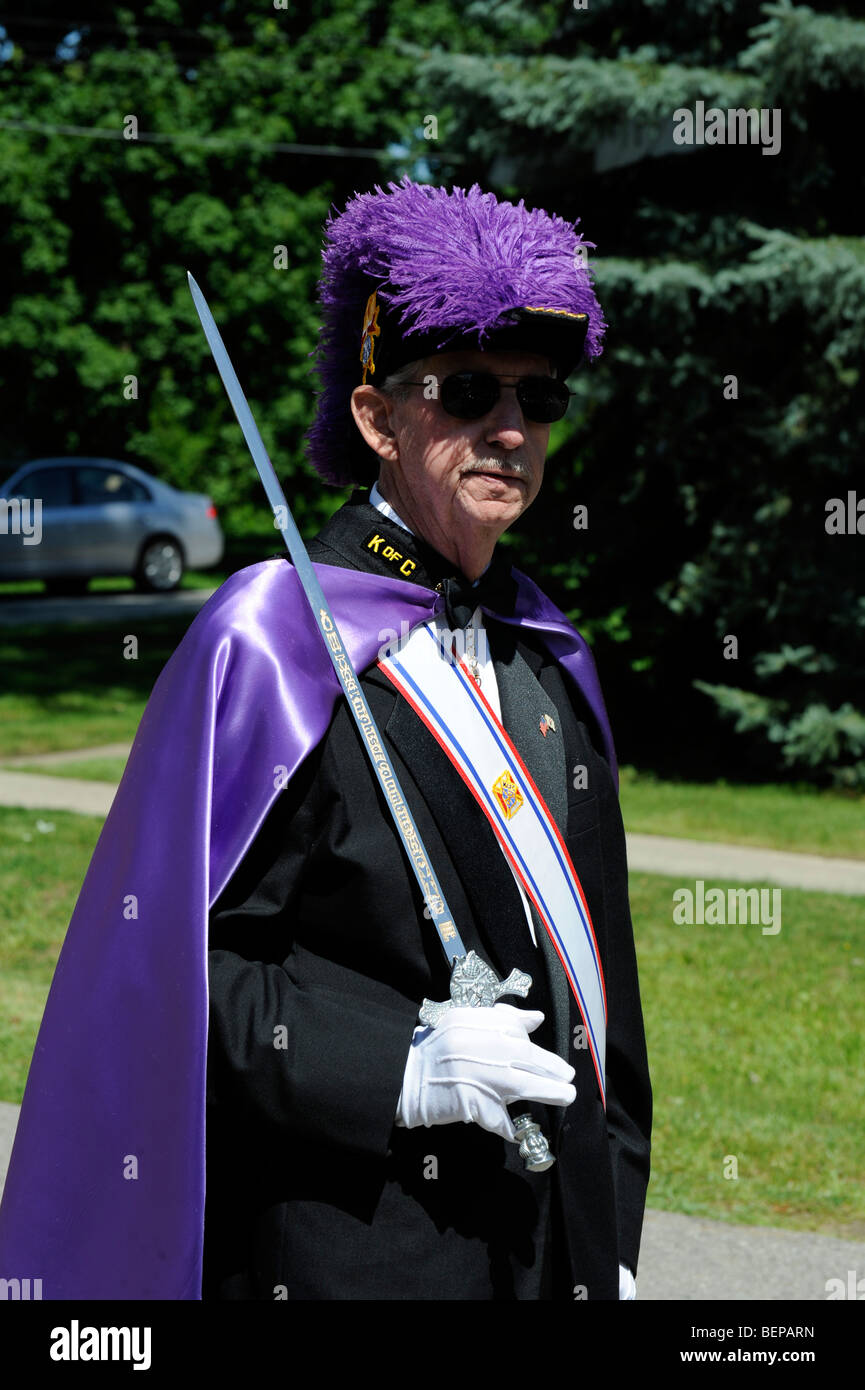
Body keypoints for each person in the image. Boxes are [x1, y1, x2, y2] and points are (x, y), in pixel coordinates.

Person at [0, 177, 650, 1302]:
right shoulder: (271, 642)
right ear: (375, 418)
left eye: (537, 397)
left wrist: (614, 1235)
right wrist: (394, 1063)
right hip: (357, 1253)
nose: (509, 428)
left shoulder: (549, 653)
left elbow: (611, 1005)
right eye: (464, 391)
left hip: (552, 1257)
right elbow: (164, 975)